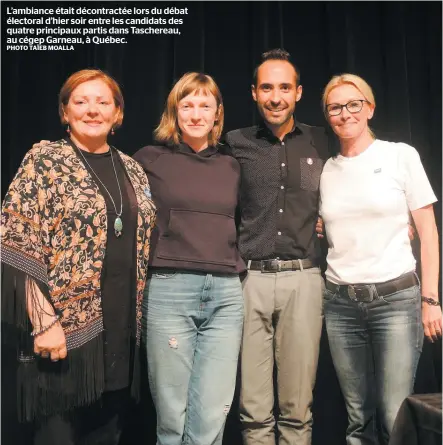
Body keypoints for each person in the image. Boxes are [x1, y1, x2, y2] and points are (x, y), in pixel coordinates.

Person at [1, 68, 156, 445]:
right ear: (65, 111)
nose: (92, 110)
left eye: (103, 102)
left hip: (119, 336)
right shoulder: (45, 159)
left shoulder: (133, 169)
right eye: (81, 101)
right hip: (62, 339)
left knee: (107, 435)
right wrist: (43, 322)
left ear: (117, 113)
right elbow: (16, 240)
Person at [319, 73, 442, 444]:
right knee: (358, 418)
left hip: (395, 300)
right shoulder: (326, 170)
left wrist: (431, 299)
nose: (345, 113)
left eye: (353, 104)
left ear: (369, 108)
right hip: (341, 303)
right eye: (335, 107)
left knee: (393, 415)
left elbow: (429, 232)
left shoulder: (399, 155)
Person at [133, 72, 245, 445]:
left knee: (213, 412)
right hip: (170, 290)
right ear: (174, 112)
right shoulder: (149, 159)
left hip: (226, 294)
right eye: (187, 105)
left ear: (217, 114)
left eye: (204, 106)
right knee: (171, 411)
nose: (196, 114)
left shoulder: (232, 165)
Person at [225, 49, 330, 445]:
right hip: (249, 279)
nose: (275, 96)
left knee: (298, 408)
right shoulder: (235, 143)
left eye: (284, 87)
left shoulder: (321, 141)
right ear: (254, 93)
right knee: (253, 409)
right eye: (267, 87)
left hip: (304, 279)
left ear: (298, 92)